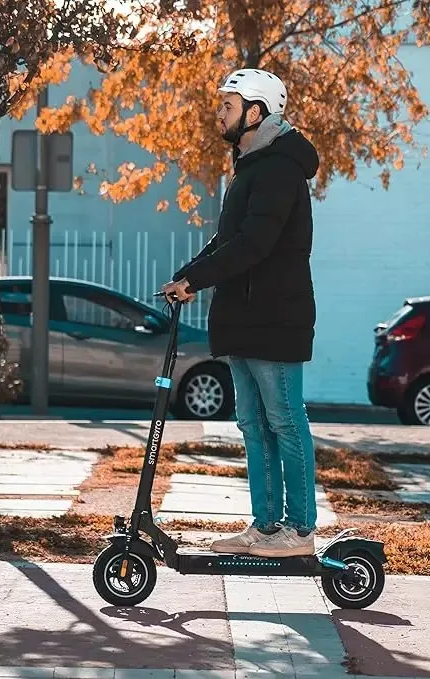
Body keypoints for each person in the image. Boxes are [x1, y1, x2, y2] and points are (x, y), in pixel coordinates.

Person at [161, 68, 320, 558]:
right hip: (245, 320)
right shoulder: (251, 168)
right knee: (254, 425)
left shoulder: (278, 170)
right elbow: (227, 240)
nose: (221, 114)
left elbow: (254, 244)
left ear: (256, 112)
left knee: (287, 423)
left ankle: (300, 531)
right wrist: (186, 276)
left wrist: (199, 278)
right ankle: (267, 527)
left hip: (275, 319)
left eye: (229, 106)